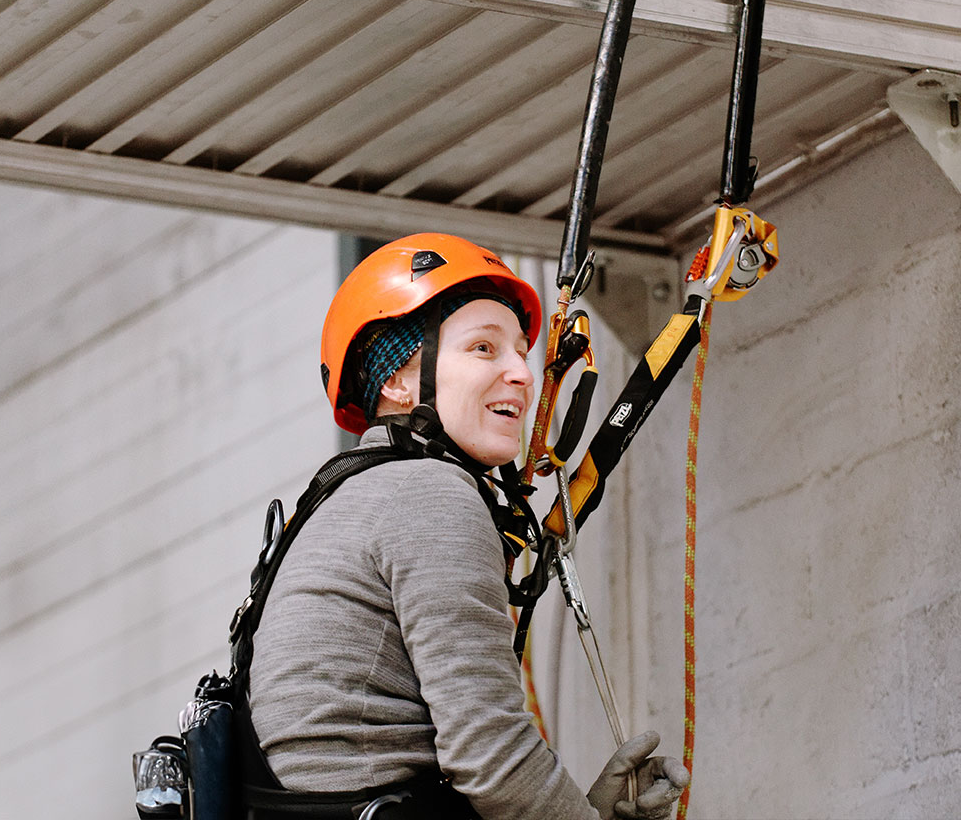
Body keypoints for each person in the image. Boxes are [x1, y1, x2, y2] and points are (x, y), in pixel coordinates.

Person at [249, 233, 689, 820]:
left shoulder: (347, 495)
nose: (522, 374)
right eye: (484, 348)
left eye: (520, 352)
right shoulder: (428, 494)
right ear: (396, 381)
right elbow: (491, 756)